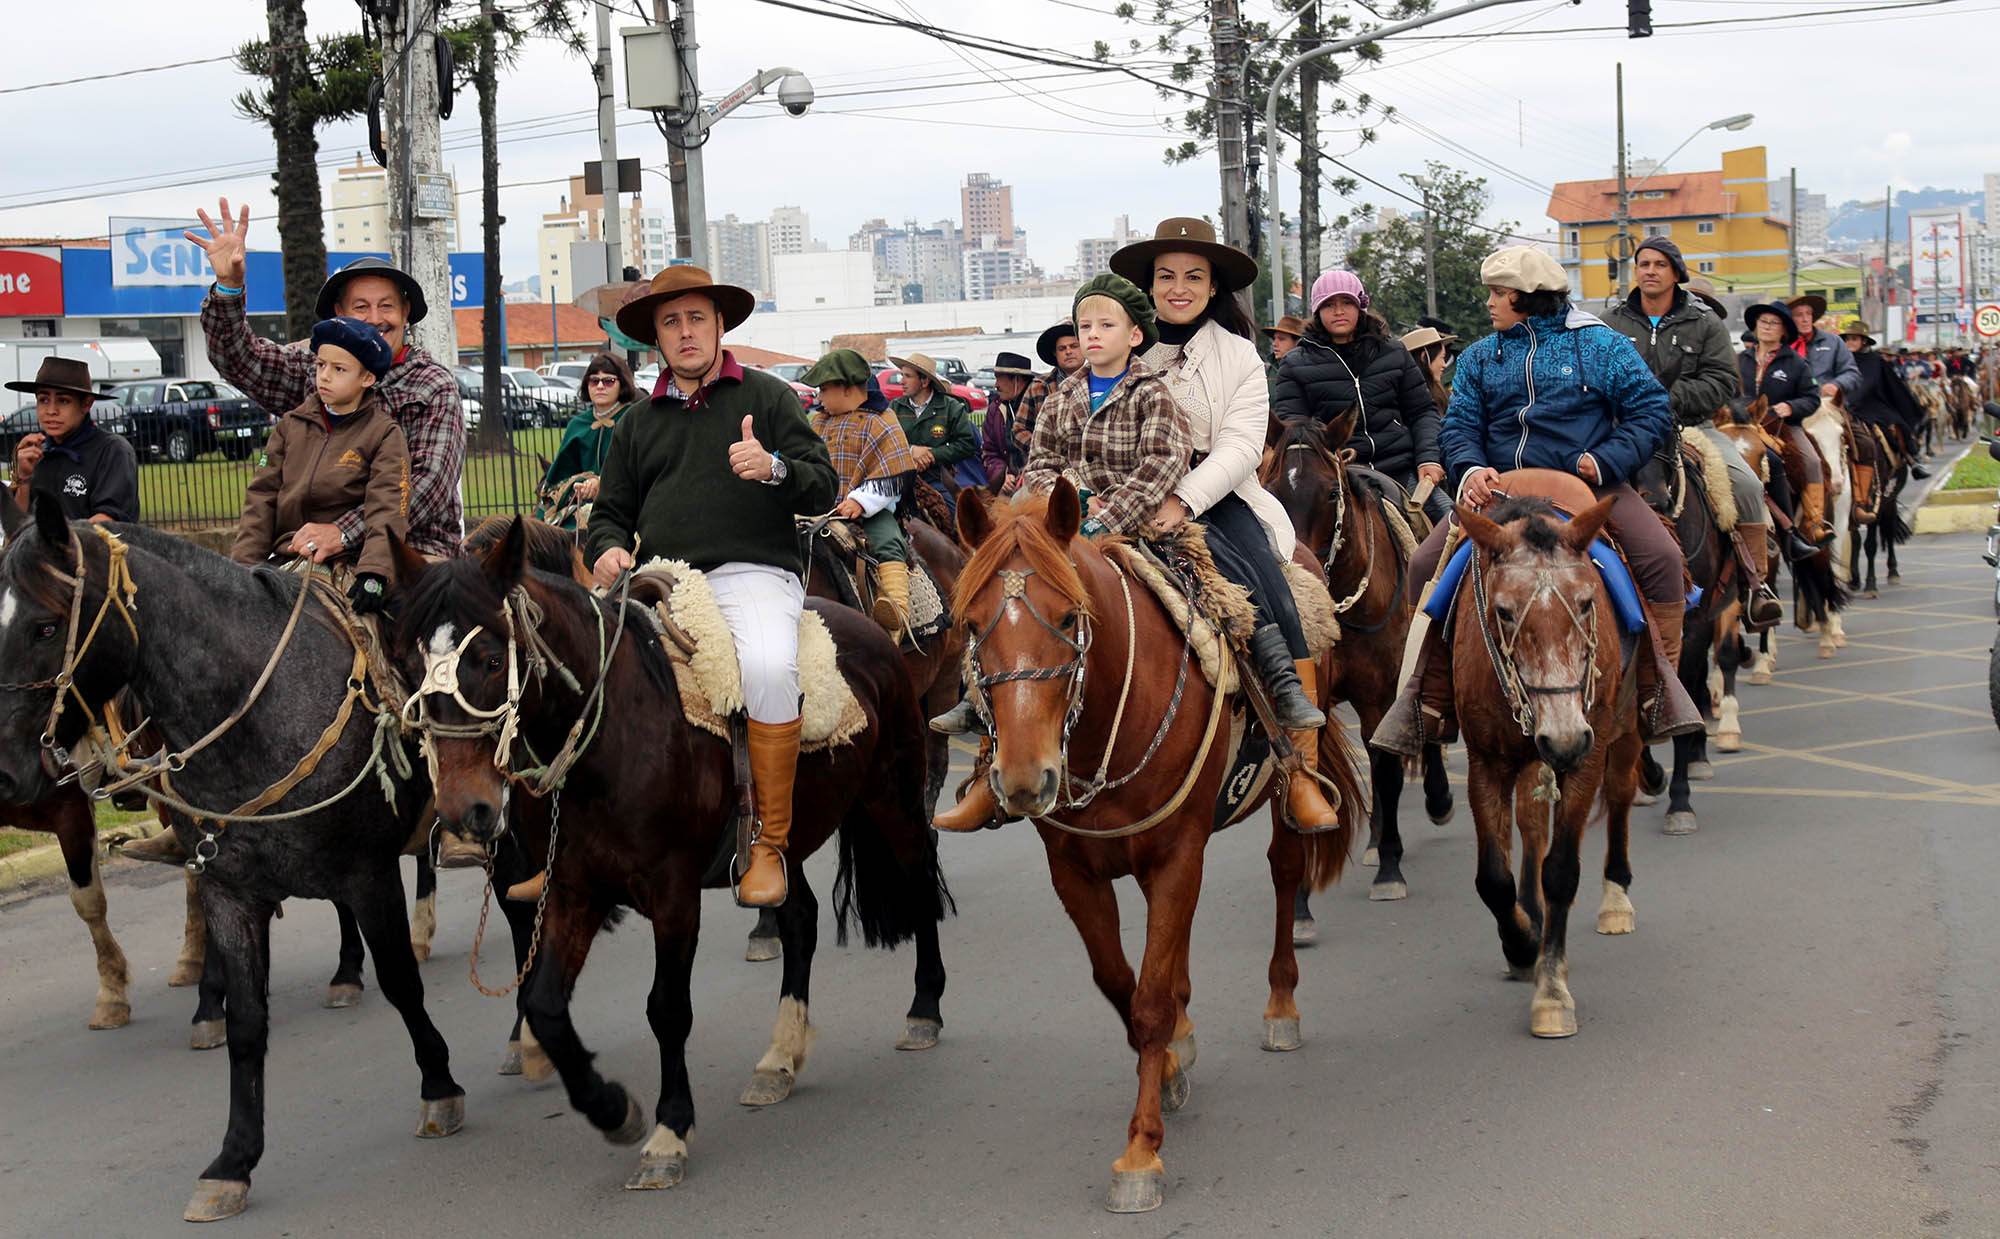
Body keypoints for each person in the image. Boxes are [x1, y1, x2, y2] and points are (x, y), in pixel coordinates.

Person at [1374, 244, 1703, 757]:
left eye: (1500, 293)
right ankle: (1431, 698)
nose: (1489, 303)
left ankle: (1657, 692)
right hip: (1502, 490)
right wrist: (1472, 467)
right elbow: (1458, 424)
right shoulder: (1483, 355)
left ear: (1530, 299)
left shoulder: (1603, 346)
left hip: (1588, 486)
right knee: (1421, 564)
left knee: (1661, 558)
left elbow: (1651, 411)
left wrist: (1607, 459)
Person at [585, 265, 837, 907]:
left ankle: (769, 844)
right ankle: (574, 847)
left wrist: (774, 467)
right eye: (671, 322)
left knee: (767, 665)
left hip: (752, 571)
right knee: (577, 672)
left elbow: (822, 482)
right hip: (661, 580)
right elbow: (612, 510)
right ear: (656, 339)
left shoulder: (770, 396)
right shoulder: (637, 423)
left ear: (720, 325)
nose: (686, 331)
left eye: (697, 318)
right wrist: (608, 547)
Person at [932, 273, 1193, 833]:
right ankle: (984, 744)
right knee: (1005, 608)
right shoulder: (1062, 393)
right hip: (1060, 532)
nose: (1092, 335)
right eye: (1084, 325)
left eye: (1106, 325)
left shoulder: (1153, 392)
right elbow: (1041, 461)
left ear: (1135, 336)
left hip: (1139, 526)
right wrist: (1054, 511)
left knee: (1217, 600)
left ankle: (1269, 717)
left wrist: (1102, 521)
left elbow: (1161, 466)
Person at [1115, 218, 1338, 833]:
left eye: (1193, 276)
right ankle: (996, 749)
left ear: (1213, 288)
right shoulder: (1122, 343)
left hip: (1215, 495)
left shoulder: (1240, 355)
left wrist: (1183, 502)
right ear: (1149, 285)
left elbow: (1241, 446)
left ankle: (1299, 769)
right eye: (1166, 277)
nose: (1178, 288)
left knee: (1270, 588)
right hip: (1120, 493)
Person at [188, 201, 463, 565]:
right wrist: (228, 287)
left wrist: (342, 532)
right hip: (307, 554)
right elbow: (240, 360)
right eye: (361, 307)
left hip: (412, 555)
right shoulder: (312, 370)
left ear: (405, 312)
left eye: (387, 306)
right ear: (340, 313)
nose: (375, 319)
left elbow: (426, 489)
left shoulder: (432, 387)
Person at [1605, 236, 1785, 630]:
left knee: (1748, 486)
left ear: (1676, 273)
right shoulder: (1612, 321)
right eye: (1643, 264)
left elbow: (1722, 381)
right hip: (1626, 428)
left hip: (1693, 427)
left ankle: (1756, 585)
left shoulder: (1705, 322)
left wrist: (1665, 396)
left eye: (1659, 265)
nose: (1650, 271)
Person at [230, 317, 409, 612]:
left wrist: (375, 571)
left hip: (346, 564)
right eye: (320, 365)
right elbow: (261, 500)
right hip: (285, 559)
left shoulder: (384, 433)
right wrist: (242, 569)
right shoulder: (290, 426)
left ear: (367, 379)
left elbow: (388, 506)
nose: (324, 376)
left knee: (375, 639)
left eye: (339, 369)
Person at [1273, 269, 1445, 523]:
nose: (1339, 311)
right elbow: (1294, 430)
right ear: (1317, 311)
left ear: (1361, 305)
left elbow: (1422, 411)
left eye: (1347, 303)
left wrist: (1429, 458)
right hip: (1338, 476)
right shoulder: (1295, 364)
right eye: (1329, 304)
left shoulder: (1394, 351)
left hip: (1401, 470)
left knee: (1455, 526)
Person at [803, 347, 922, 631]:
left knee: (889, 540)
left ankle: (896, 609)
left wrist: (860, 500)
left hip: (869, 512)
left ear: (845, 389)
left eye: (824, 389)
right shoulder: (818, 421)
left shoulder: (881, 421)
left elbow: (893, 472)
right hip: (818, 507)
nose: (819, 397)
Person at [5, 357, 138, 523]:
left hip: (94, 549)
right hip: (39, 548)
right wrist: (23, 478)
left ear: (86, 404)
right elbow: (16, 529)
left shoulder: (112, 450)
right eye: (43, 400)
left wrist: (56, 543)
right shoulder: (37, 455)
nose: (51, 410)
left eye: (63, 400)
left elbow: (109, 520)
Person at [1739, 303, 1826, 542]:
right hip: (1742, 426)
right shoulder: (1739, 360)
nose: (1767, 327)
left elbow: (1812, 398)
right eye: (1763, 322)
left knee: (1812, 461)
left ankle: (1815, 521)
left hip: (1782, 426)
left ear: (1784, 331)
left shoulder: (1796, 363)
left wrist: (1791, 407)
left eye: (1773, 323)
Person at [539, 353, 641, 529]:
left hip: (625, 508)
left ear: (621, 384)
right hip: (579, 508)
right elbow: (558, 479)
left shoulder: (635, 420)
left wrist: (601, 483)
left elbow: (642, 470)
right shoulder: (577, 425)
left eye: (608, 381)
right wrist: (579, 487)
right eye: (594, 381)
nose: (600, 386)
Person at [1840, 319, 1931, 478]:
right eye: (1847, 339)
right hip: (1840, 403)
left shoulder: (1874, 360)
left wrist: (1852, 400)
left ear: (1864, 341)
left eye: (1854, 339)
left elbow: (1869, 383)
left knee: (1894, 425)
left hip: (1869, 403)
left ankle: (1912, 459)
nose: (1850, 342)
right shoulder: (1840, 359)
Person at [888, 352, 978, 513]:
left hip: (938, 479)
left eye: (908, 376)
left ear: (924, 381)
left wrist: (932, 456)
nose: (902, 381)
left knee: (955, 516)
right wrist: (911, 451)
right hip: (900, 479)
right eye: (902, 375)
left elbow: (966, 445)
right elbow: (885, 444)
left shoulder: (951, 408)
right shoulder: (894, 407)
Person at [978, 351, 1039, 494]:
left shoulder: (1040, 402)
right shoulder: (995, 409)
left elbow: (1047, 448)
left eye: (1000, 378)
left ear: (1018, 379)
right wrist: (1002, 476)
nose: (996, 385)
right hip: (1008, 482)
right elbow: (989, 451)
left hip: (1038, 478)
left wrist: (1031, 472)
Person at [1787, 294, 1861, 406]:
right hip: (1795, 405)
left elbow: (1852, 374)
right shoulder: (1783, 345)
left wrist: (1836, 385)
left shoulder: (1833, 341)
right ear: (1790, 319)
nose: (1805, 319)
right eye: (1799, 315)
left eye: (1808, 314)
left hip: (1829, 404)